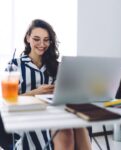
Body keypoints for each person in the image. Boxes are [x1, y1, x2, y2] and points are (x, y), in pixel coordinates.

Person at [10, 19, 91, 150]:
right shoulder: (15, 65)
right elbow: (7, 101)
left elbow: (64, 94)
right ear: (28, 38)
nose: (42, 44)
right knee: (65, 133)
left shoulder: (55, 65)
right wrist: (35, 93)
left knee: (78, 125)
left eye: (46, 40)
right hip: (28, 115)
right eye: (36, 39)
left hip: (54, 112)